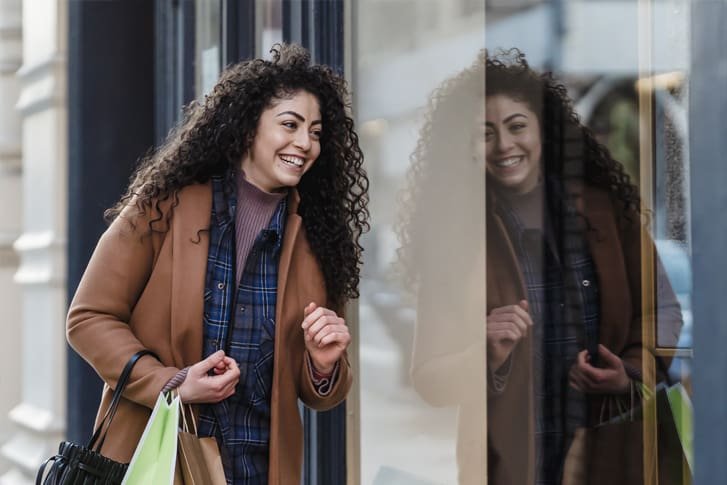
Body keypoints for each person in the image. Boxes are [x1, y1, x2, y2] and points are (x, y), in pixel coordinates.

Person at [66, 43, 369, 484]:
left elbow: (319, 393)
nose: (305, 143)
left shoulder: (321, 238)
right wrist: (171, 383)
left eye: (317, 132)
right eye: (290, 124)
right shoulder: (163, 206)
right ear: (248, 128)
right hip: (154, 460)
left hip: (256, 470)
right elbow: (88, 318)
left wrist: (322, 365)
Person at [400, 49, 682, 484]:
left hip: (613, 453)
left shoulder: (606, 213)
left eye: (517, 127)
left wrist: (629, 373)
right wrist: (485, 353)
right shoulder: (459, 235)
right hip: (510, 465)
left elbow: (660, 310)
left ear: (543, 132)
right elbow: (428, 379)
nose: (504, 145)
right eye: (485, 133)